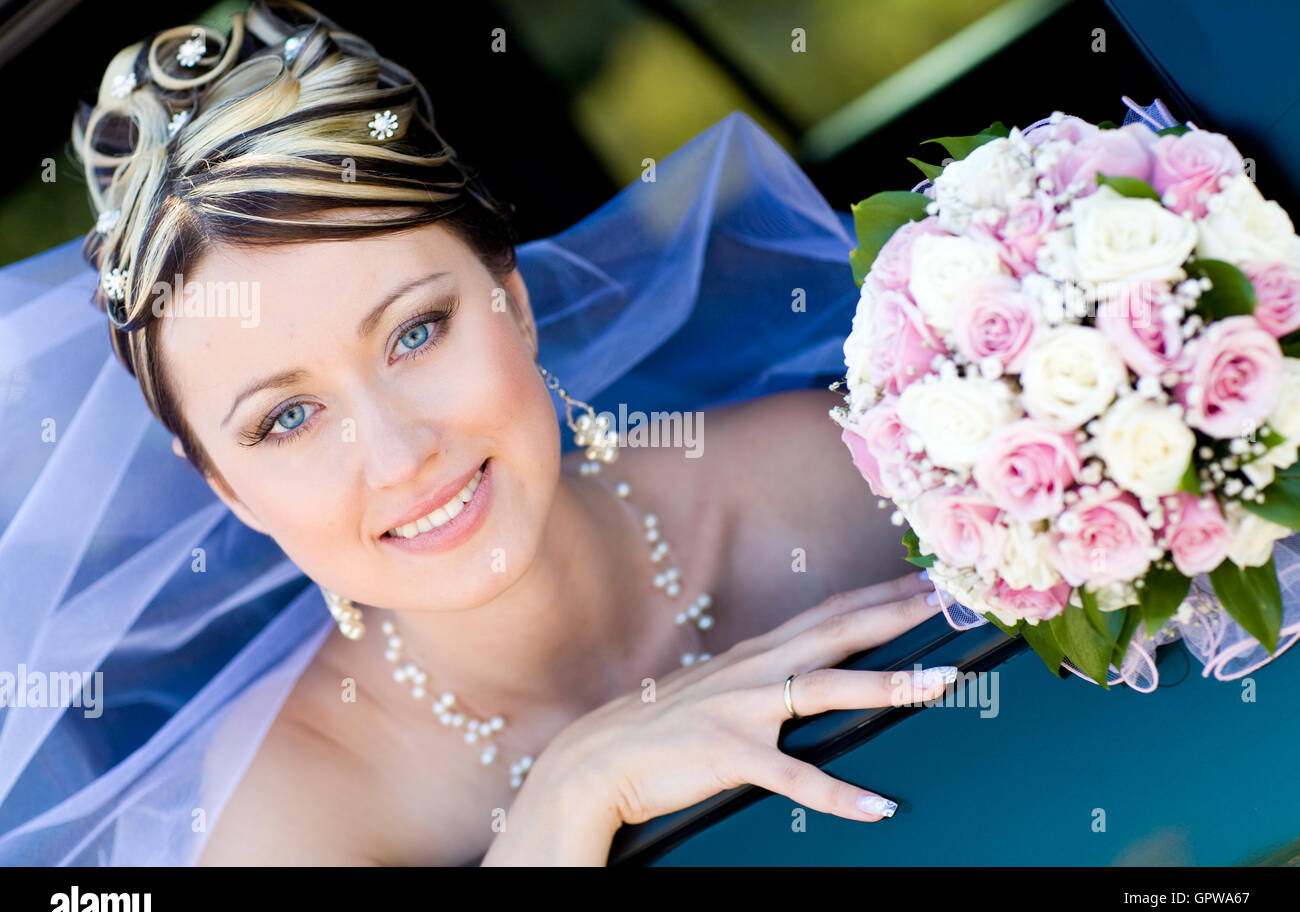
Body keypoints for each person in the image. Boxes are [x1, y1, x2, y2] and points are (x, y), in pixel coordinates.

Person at [0, 0, 958, 866]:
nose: (397, 453)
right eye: (287, 418)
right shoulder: (298, 803)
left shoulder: (837, 476)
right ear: (228, 490)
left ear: (516, 304)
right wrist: (571, 795)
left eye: (415, 333)